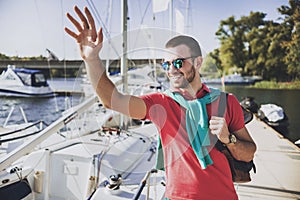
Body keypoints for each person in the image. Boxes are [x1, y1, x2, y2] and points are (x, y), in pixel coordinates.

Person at [65, 6, 256, 200]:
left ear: (198, 62)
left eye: (179, 63)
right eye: (166, 64)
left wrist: (228, 138)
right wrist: (92, 59)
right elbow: (111, 100)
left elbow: (249, 153)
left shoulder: (227, 102)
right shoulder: (162, 103)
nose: (171, 70)